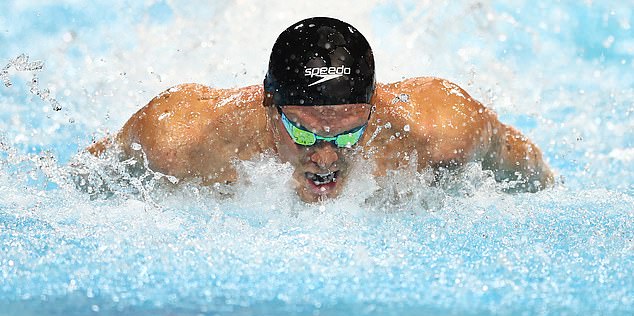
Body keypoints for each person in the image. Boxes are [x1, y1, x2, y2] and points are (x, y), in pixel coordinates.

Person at [88, 17, 554, 203]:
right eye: (307, 133)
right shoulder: (180, 139)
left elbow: (534, 174)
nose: (328, 157)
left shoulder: (443, 128)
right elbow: (86, 180)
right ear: (269, 104)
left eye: (349, 133)